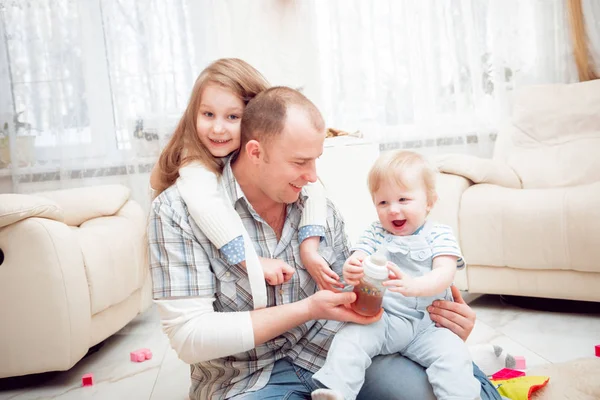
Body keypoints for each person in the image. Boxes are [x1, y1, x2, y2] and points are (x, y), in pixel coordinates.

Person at [148, 85, 501, 400]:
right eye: (300, 162)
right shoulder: (176, 211)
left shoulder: (312, 201)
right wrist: (308, 308)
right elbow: (190, 338)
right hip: (249, 378)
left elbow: (355, 291)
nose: (313, 175)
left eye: (316, 160)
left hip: (331, 352)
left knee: (456, 387)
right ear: (255, 152)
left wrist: (435, 320)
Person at [150, 58, 342, 296]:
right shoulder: (195, 168)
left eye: (232, 117)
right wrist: (251, 262)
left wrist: (309, 247)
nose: (218, 129)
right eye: (208, 114)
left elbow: (315, 189)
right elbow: (206, 207)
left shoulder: (286, 170)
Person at [311, 151, 479, 400]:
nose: (393, 210)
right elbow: (357, 257)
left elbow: (444, 273)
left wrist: (414, 285)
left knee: (454, 356)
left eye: (403, 199)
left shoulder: (439, 234)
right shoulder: (375, 233)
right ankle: (336, 391)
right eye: (383, 203)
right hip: (385, 320)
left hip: (429, 326)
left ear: (429, 202)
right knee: (350, 338)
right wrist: (352, 268)